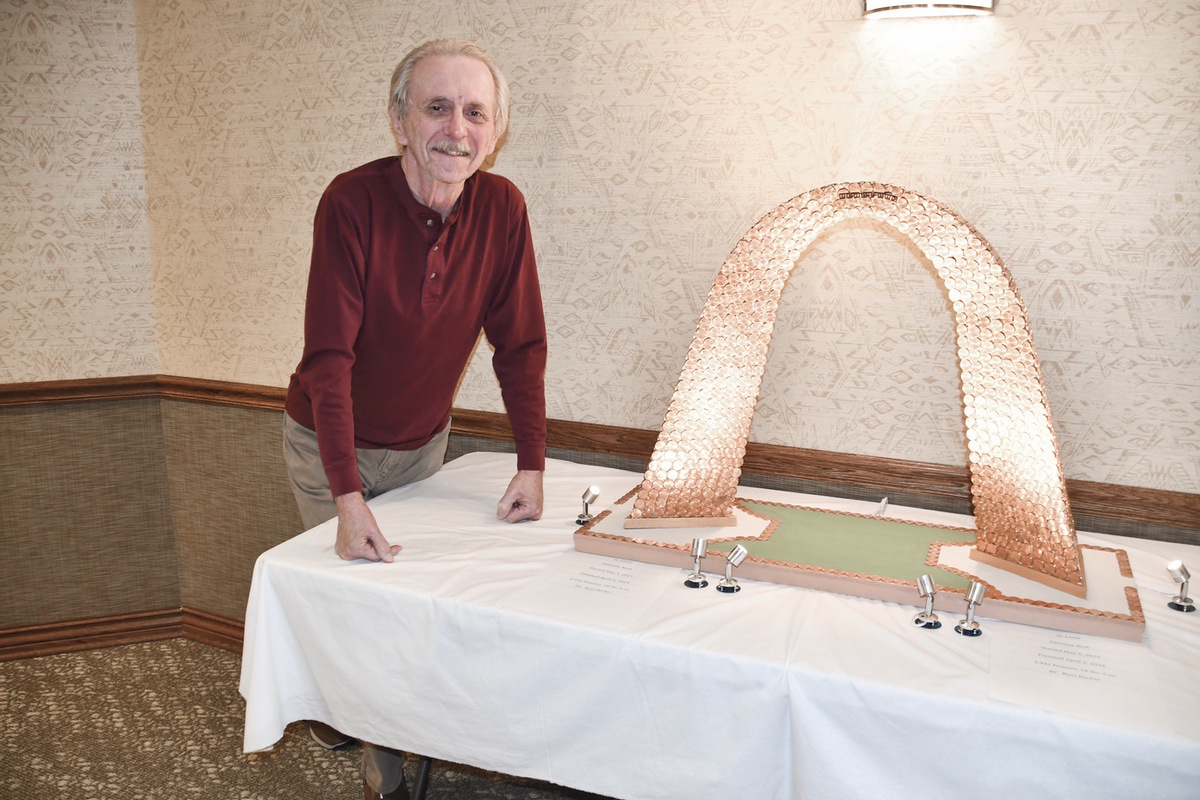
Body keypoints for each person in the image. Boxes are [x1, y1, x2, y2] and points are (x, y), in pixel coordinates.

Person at [281, 38, 547, 800]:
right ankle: (383, 762)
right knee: (359, 605)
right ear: (399, 121)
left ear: (494, 132)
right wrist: (345, 495)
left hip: (422, 446)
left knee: (405, 604)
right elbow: (328, 358)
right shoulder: (350, 203)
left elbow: (520, 342)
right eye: (436, 108)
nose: (455, 129)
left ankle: (344, 710)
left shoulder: (504, 208)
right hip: (325, 442)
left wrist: (532, 463)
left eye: (474, 113)